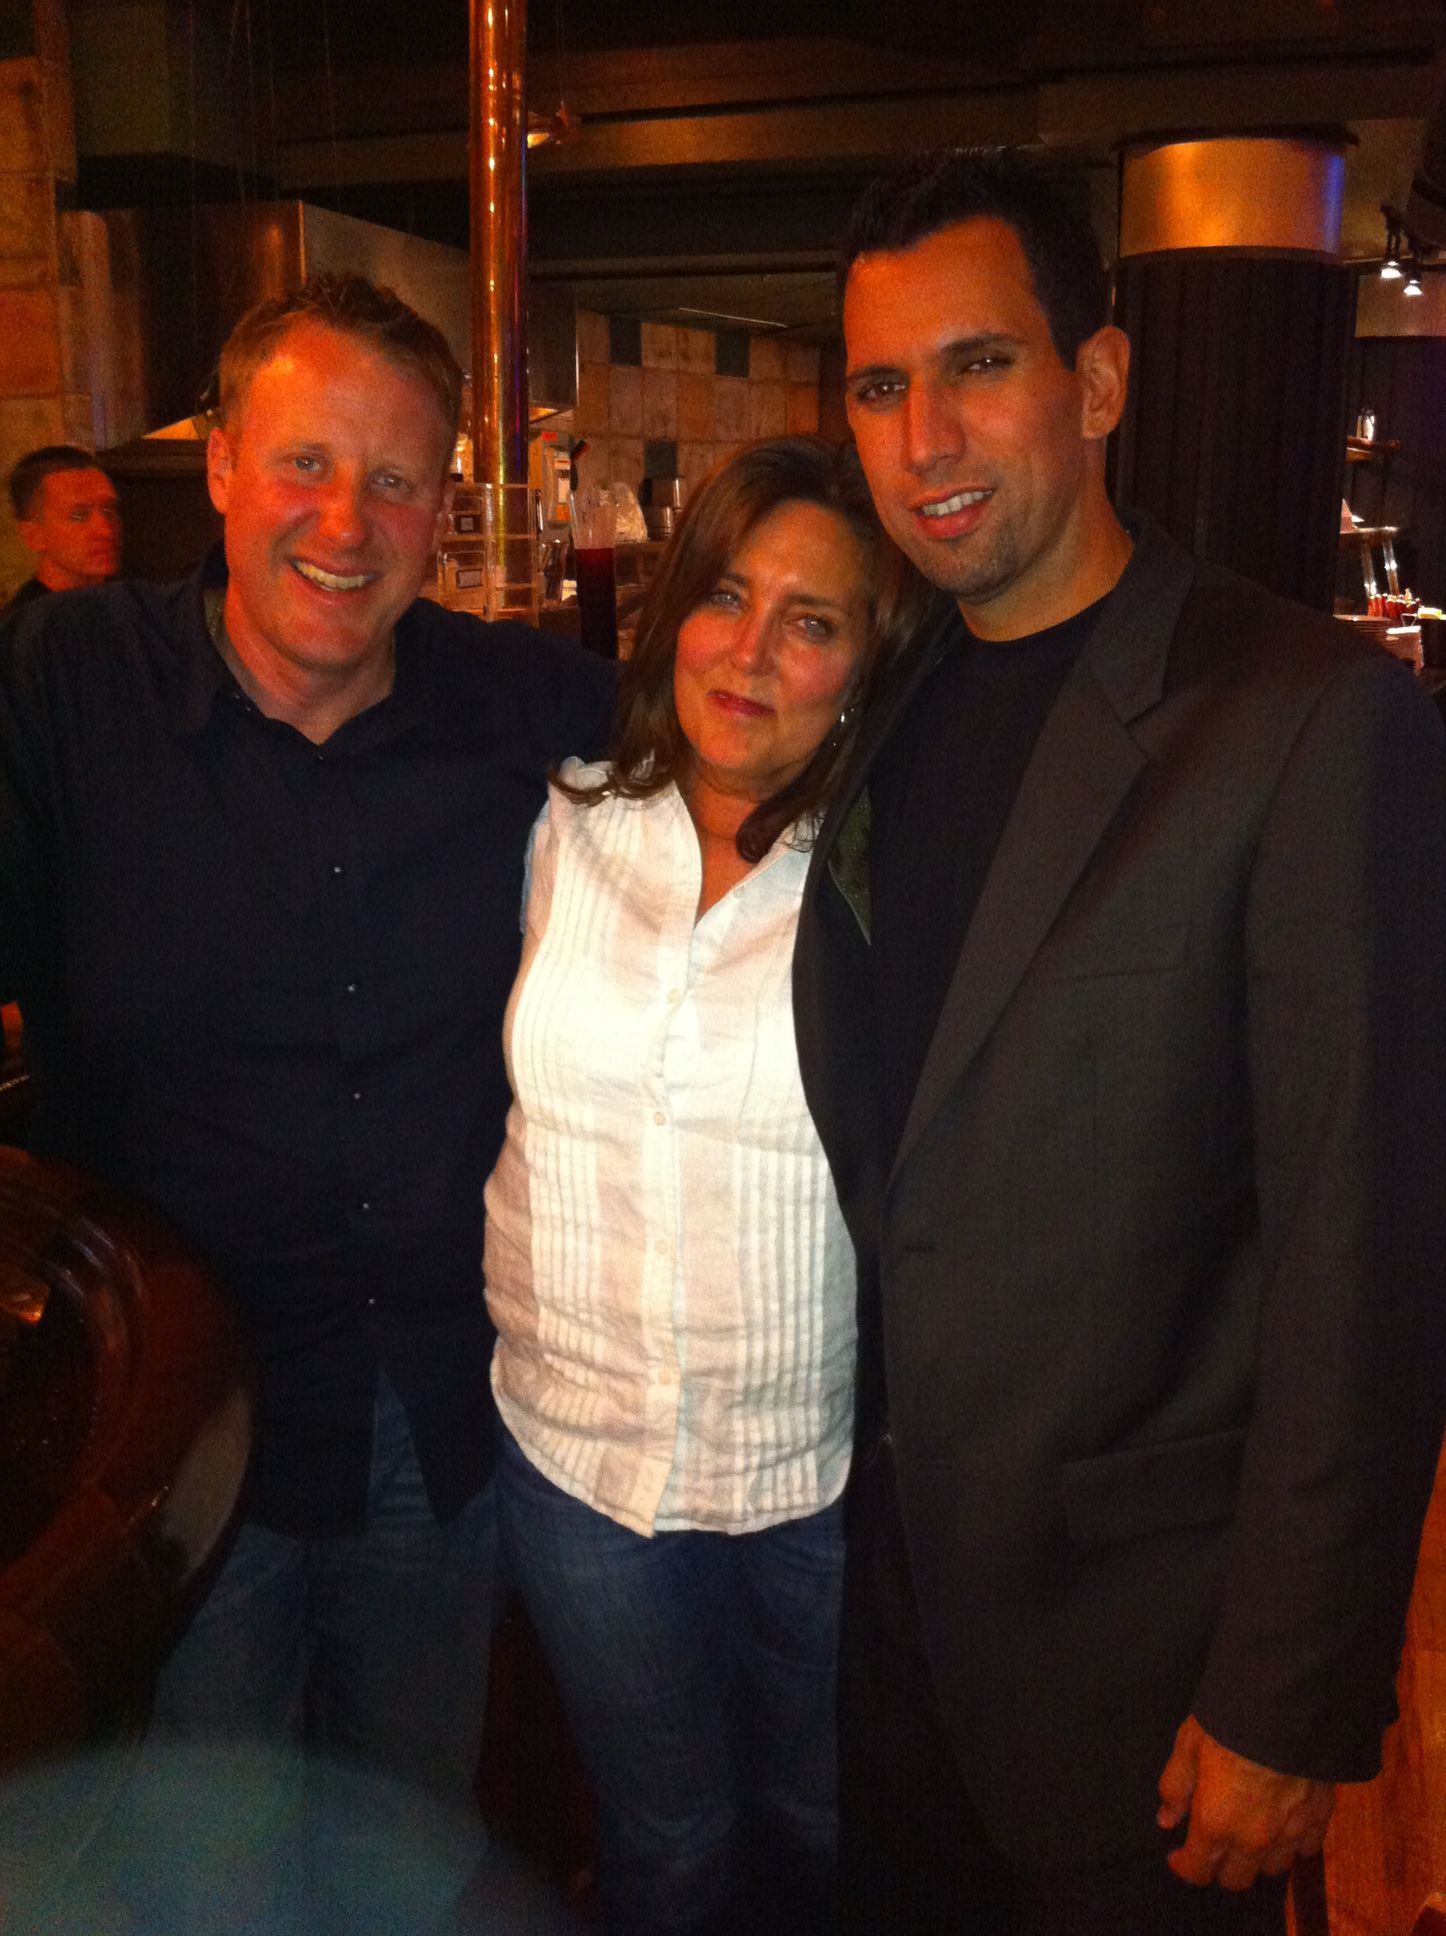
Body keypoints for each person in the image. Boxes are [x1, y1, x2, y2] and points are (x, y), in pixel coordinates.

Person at [790, 148, 1446, 1936]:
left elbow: (1365, 1255)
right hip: (891, 1623)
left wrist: (1285, 1692)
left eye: (976, 366)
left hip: (1145, 1677)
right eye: (876, 384)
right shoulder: (889, 701)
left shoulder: (1304, 723)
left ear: (1097, 381)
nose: (921, 436)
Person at [0, 273, 613, 1933]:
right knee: (200, 1867)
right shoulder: (69, 688)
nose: (348, 521)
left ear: (442, 512)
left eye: (397, 478)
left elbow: (753, 768)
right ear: (216, 469)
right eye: (305, 464)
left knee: (404, 1840)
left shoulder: (527, 708)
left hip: (435, 1415)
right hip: (175, 1454)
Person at [484, 435, 928, 1936]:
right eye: (726, 596)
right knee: (665, 1840)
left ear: (867, 660)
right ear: (670, 605)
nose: (751, 651)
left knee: (816, 1820)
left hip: (815, 1481)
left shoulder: (899, 873)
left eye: (810, 619)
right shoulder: (563, 813)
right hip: (579, 1463)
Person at [2, 444, 121, 619]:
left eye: (109, 510)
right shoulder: (24, 631)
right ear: (34, 535)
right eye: (79, 516)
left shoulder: (130, 605)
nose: (106, 530)